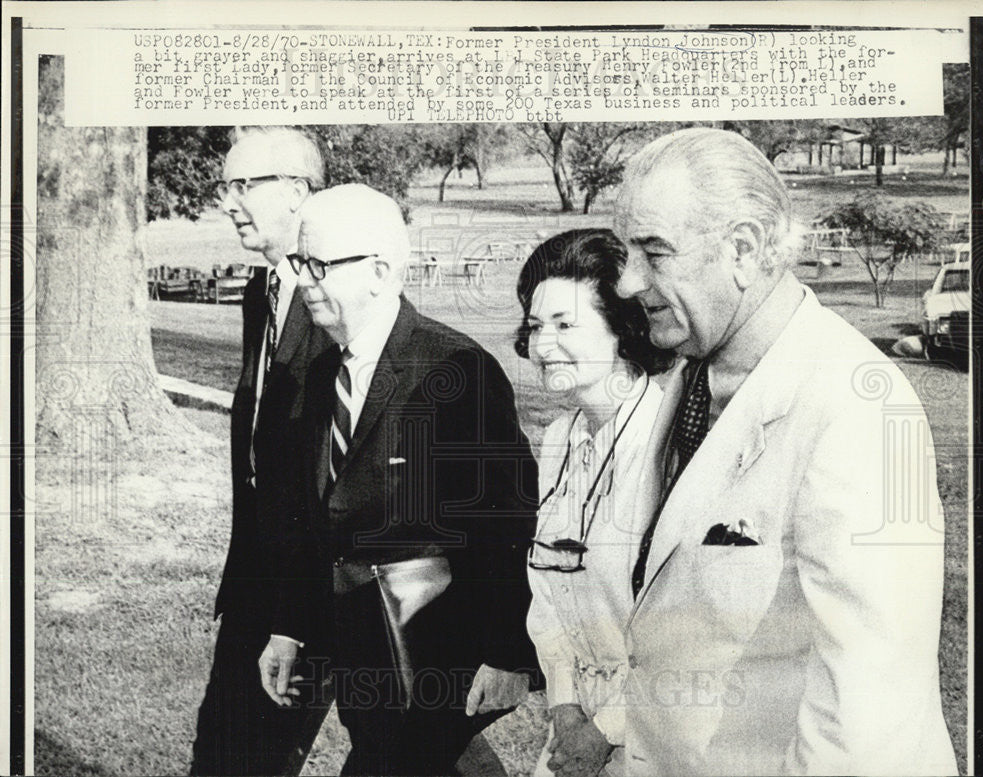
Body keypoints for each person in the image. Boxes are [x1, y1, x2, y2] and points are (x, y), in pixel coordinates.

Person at [612, 127, 958, 776]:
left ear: (743, 248)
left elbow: (866, 719)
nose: (628, 283)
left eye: (653, 253)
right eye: (624, 252)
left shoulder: (856, 407)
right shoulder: (687, 380)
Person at [257, 184, 540, 776]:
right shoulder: (318, 378)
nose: (304, 280)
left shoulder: (454, 370)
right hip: (359, 658)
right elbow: (312, 520)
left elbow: (506, 521)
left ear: (380, 271)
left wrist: (506, 653)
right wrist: (288, 628)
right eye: (299, 263)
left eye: (319, 265)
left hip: (437, 661)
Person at [191, 126, 333, 776]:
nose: (229, 201)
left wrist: (293, 621)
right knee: (223, 753)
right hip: (257, 582)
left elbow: (332, 481)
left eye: (246, 184)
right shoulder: (263, 291)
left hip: (312, 596)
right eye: (227, 186)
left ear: (301, 190)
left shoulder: (337, 301)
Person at [514, 230, 671, 777]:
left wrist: (604, 732)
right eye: (536, 326)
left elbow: (684, 627)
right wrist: (564, 703)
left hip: (659, 728)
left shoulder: (669, 441)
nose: (541, 345)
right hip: (577, 720)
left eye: (564, 324)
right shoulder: (560, 438)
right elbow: (547, 594)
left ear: (621, 328)